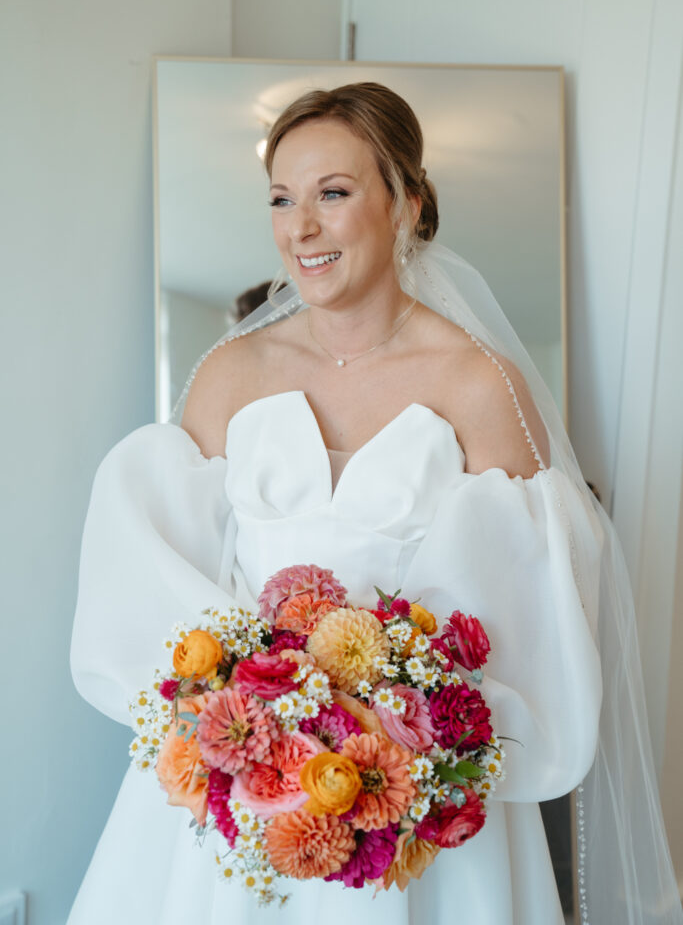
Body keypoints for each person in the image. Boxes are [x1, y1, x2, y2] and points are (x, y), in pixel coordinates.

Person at [68, 83, 682, 924]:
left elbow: (526, 616)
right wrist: (244, 704)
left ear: (405, 204)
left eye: (333, 193)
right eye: (282, 198)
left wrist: (396, 723)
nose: (301, 228)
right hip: (244, 786)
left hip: (406, 793)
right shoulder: (229, 375)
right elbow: (159, 581)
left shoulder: (475, 382)